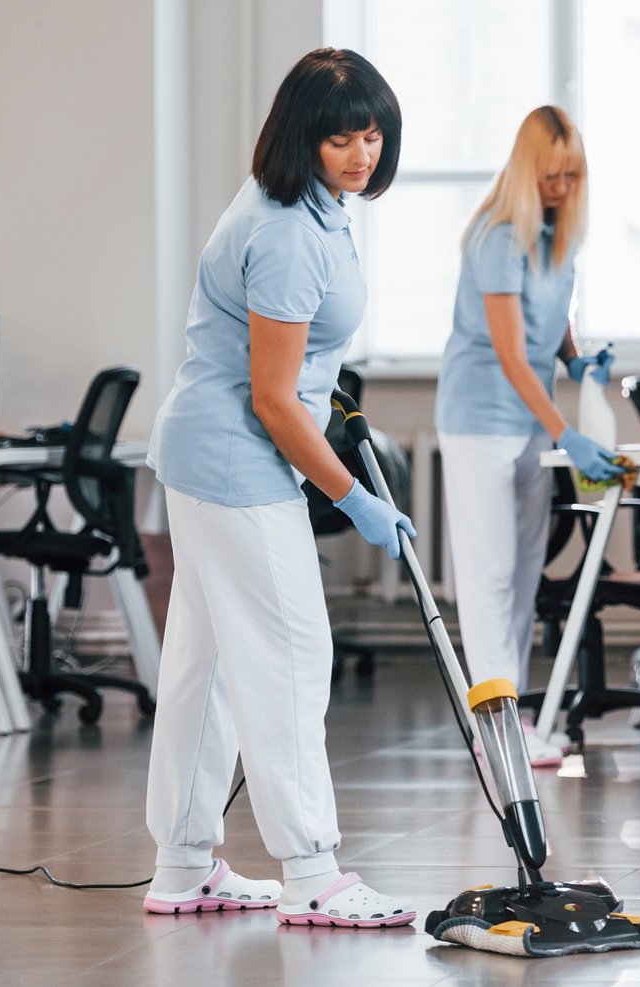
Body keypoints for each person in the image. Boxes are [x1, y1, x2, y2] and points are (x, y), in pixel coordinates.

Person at [143, 49, 419, 927]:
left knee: (207, 662)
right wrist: (353, 497)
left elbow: (288, 366)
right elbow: (270, 398)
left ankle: (184, 866)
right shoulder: (290, 230)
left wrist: (319, 392)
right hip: (235, 463)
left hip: (205, 453)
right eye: (340, 137)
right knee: (292, 654)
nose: (360, 152)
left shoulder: (308, 208)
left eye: (372, 134)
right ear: (302, 139)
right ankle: (314, 871)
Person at [435, 106, 621, 767]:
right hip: (480, 419)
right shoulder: (497, 238)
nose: (562, 187)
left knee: (518, 576)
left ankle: (510, 727)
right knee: (487, 578)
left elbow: (554, 323)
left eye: (572, 176)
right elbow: (513, 355)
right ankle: (498, 735)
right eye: (550, 176)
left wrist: (576, 360)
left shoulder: (556, 237)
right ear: (525, 170)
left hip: (528, 426)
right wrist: (567, 433)